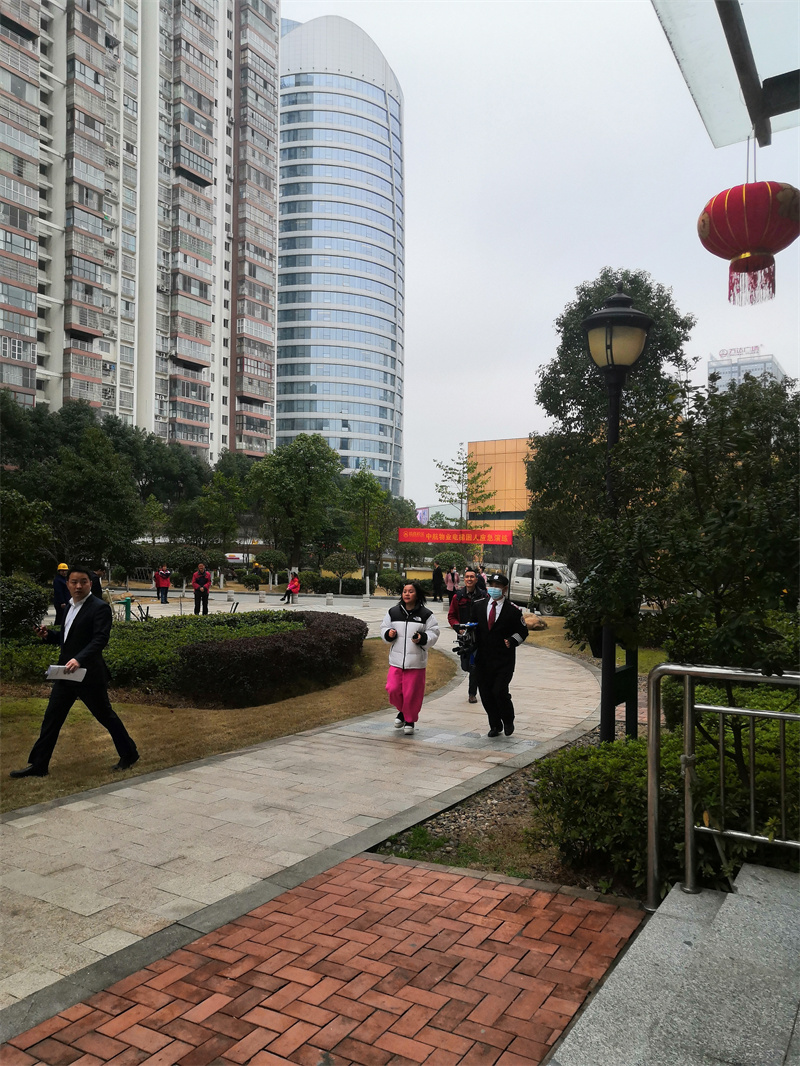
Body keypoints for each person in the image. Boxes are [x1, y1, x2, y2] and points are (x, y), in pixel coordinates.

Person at [9, 565, 139, 778]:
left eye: (83, 582)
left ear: (90, 583)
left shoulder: (99, 608)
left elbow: (100, 639)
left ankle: (129, 753)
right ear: (67, 584)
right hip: (65, 674)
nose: (78, 586)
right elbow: (68, 638)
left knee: (105, 716)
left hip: (89, 675)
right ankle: (39, 765)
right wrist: (48, 635)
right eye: (74, 582)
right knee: (51, 718)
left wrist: (79, 659)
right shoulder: (68, 606)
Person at [470, 572, 528, 737]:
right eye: (492, 585)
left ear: (505, 589)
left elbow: (523, 632)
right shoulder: (478, 605)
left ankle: (508, 719)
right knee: (486, 693)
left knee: (499, 691)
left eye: (498, 586)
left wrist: (512, 640)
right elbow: (472, 627)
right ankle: (495, 725)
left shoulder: (513, 610)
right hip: (483, 658)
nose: (494, 589)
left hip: (503, 660)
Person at [381, 581, 440, 736]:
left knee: (411, 694)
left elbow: (434, 632)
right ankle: (403, 711)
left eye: (411, 591)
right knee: (392, 689)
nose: (407, 594)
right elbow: (384, 627)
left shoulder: (426, 615)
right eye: (405, 591)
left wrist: (422, 638)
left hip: (416, 663)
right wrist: (388, 634)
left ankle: (409, 720)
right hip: (396, 661)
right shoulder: (393, 612)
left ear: (417, 594)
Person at [448, 567, 487, 704]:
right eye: (467, 577)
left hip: (479, 636)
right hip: (464, 636)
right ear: (464, 579)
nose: (469, 579)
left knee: (475, 665)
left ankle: (472, 694)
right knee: (466, 666)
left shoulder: (484, 596)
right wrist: (458, 628)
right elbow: (451, 616)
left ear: (476, 579)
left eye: (472, 577)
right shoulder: (457, 597)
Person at [53, 563, 70, 628]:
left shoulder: (65, 579)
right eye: (62, 571)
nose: (64, 572)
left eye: (65, 570)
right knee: (60, 617)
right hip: (61, 603)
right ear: (59, 571)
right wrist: (62, 602)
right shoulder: (57, 580)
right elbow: (58, 592)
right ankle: (56, 628)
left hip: (66, 601)